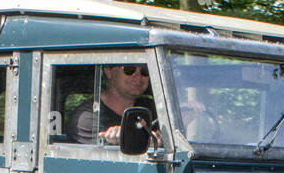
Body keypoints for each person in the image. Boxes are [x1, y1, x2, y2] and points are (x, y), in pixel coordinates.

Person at [65, 62, 206, 145]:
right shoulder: (87, 118)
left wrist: (182, 117)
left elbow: (169, 143)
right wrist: (121, 139)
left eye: (144, 71)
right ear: (108, 72)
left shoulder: (151, 108)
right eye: (129, 69)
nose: (138, 77)